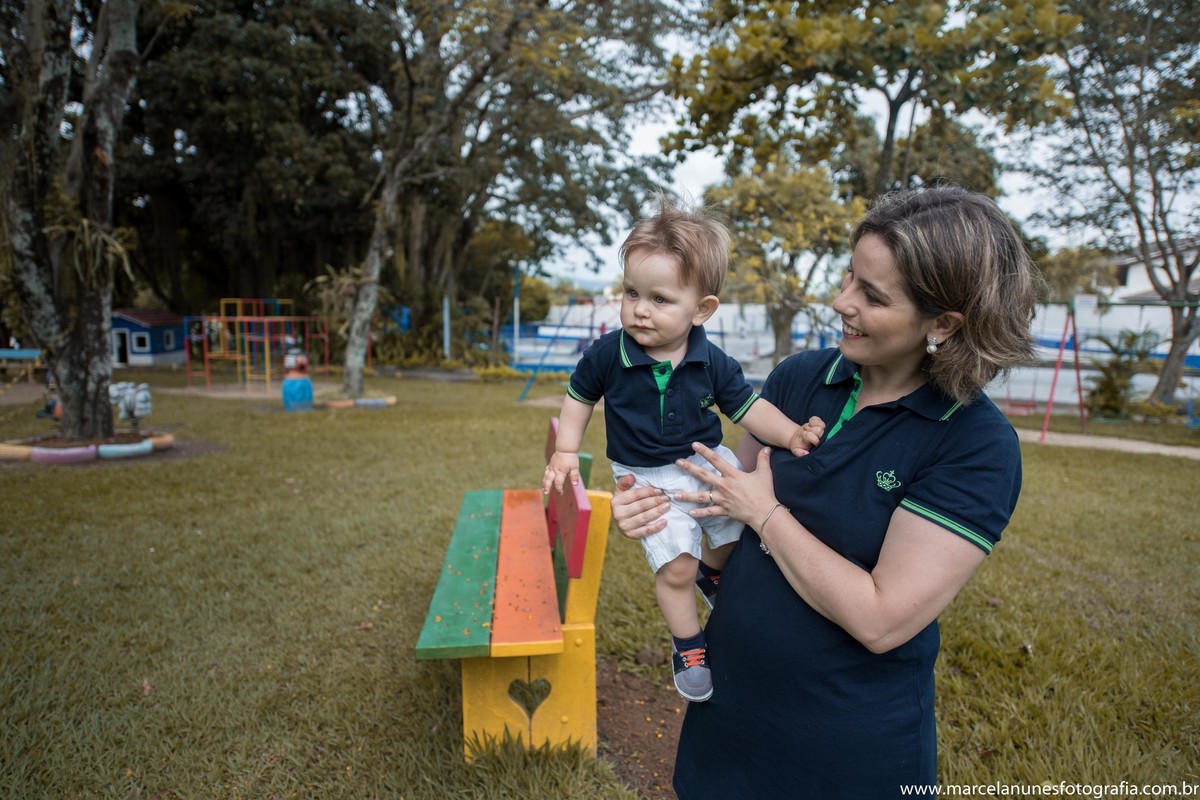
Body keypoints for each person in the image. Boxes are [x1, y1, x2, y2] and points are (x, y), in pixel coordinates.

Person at [610, 186, 1043, 797]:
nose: (841, 302)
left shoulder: (974, 444)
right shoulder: (799, 378)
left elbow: (881, 619)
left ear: (942, 323)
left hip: (843, 752)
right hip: (727, 717)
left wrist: (766, 513)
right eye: (849, 278)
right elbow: (723, 515)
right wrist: (656, 509)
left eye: (871, 294)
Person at [543, 197, 824, 703]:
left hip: (699, 463)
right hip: (644, 479)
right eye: (632, 293)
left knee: (733, 535)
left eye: (660, 299)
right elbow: (580, 395)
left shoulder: (712, 361)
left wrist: (791, 435)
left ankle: (710, 572)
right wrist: (566, 450)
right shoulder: (611, 351)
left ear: (702, 310)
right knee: (675, 565)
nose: (640, 309)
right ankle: (689, 643)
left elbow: (747, 409)